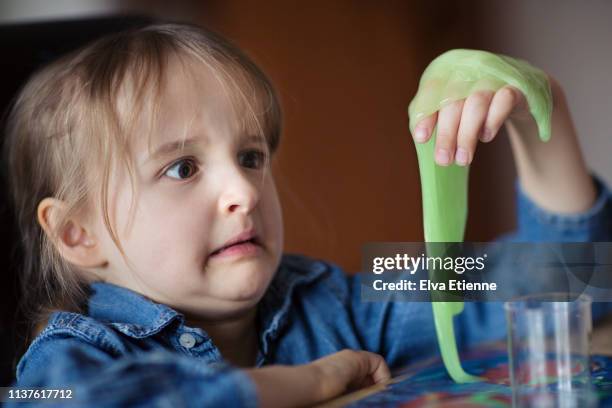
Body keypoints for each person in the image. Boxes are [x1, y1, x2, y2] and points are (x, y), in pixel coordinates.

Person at [2, 23, 610, 407]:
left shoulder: (338, 298)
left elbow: (565, 281)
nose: (243, 187)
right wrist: (310, 383)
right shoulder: (68, 359)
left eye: (250, 156)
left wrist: (542, 116)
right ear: (77, 235)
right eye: (182, 168)